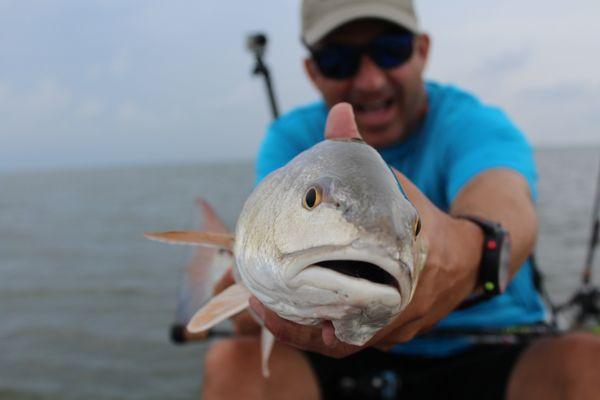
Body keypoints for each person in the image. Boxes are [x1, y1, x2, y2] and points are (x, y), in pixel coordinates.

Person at [201, 0, 600, 399]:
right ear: (312, 70)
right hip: (338, 355)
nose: (370, 80)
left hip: (490, 349)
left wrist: (464, 252)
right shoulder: (289, 139)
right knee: (234, 363)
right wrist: (253, 309)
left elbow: (508, 203)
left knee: (588, 364)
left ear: (422, 50)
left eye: (390, 49)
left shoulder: (473, 124)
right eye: (339, 60)